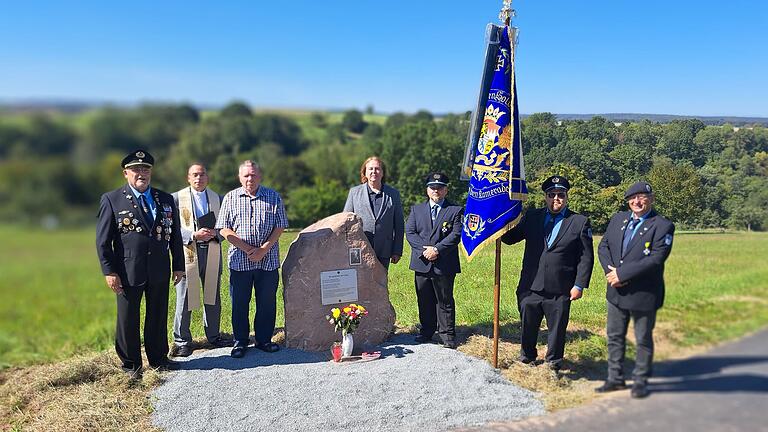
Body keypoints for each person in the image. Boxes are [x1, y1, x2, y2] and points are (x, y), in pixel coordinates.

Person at [96, 149, 185, 377]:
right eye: (136, 169)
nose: (141, 173)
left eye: (145, 169)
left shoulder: (164, 199)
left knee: (157, 315)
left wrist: (179, 265)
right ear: (126, 173)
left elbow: (174, 236)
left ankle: (158, 359)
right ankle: (131, 365)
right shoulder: (112, 199)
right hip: (127, 270)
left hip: (159, 269)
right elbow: (103, 241)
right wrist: (109, 271)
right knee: (127, 319)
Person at [500, 175, 594, 370]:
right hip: (530, 286)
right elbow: (510, 238)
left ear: (567, 197)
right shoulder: (532, 217)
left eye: (560, 194)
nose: (556, 199)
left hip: (560, 288)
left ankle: (553, 362)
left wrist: (579, 285)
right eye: (552, 194)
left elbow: (586, 257)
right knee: (527, 325)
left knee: (557, 329)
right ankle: (527, 356)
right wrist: (496, 222)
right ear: (546, 196)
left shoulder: (579, 222)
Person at [596, 181, 674, 398]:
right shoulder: (618, 219)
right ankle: (615, 378)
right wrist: (611, 272)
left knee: (642, 339)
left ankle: (640, 380)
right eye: (632, 198)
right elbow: (604, 247)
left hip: (643, 293)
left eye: (642, 197)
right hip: (616, 292)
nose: (637, 202)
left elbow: (657, 259)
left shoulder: (662, 225)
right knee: (614, 336)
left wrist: (623, 274)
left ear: (651, 199)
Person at [215, 161, 288, 358]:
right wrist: (248, 249)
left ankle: (264, 340)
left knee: (266, 302)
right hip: (240, 261)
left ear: (260, 176)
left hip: (268, 260)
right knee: (239, 303)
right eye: (246, 175)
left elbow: (280, 225)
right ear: (239, 177)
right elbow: (223, 228)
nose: (250, 179)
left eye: (254, 175)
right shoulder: (230, 198)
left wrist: (263, 249)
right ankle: (240, 341)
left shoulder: (273, 196)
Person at [171, 163, 233, 357]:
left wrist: (215, 233)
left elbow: (227, 225)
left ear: (208, 177)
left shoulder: (218, 199)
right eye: (195, 175)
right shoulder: (175, 199)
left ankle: (213, 336)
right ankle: (182, 340)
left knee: (212, 295)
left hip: (212, 250)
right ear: (188, 178)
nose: (199, 178)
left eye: (202, 174)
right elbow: (171, 228)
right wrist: (192, 235)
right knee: (185, 296)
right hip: (188, 251)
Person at [405, 172, 463, 349]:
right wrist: (426, 250)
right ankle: (427, 331)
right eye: (432, 187)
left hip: (444, 262)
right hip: (422, 262)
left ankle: (447, 335)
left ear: (446, 190)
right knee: (424, 298)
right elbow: (410, 232)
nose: (436, 190)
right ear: (427, 190)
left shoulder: (455, 210)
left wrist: (437, 249)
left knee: (444, 300)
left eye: (440, 187)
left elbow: (456, 234)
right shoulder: (416, 210)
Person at [343, 156, 404, 270]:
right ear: (364, 172)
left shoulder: (393, 194)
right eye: (370, 169)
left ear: (382, 173)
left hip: (384, 249)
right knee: (360, 284)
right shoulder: (354, 192)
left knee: (380, 285)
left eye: (377, 169)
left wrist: (397, 250)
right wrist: (347, 247)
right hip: (358, 249)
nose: (373, 172)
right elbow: (345, 221)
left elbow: (399, 224)